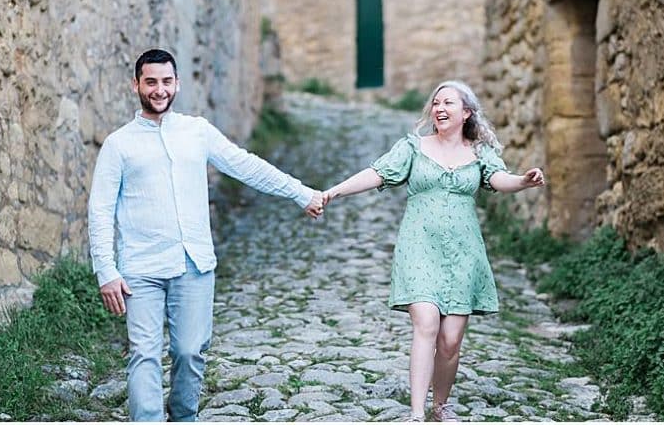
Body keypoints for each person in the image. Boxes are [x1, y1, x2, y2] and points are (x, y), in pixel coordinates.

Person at [88, 48, 324, 421]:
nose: (159, 89)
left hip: (193, 264)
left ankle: (184, 416)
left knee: (190, 351)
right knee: (144, 353)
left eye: (166, 82)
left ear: (177, 84)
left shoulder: (196, 131)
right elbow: (100, 210)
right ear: (136, 85)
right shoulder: (119, 144)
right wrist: (107, 270)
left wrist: (300, 193)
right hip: (140, 268)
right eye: (151, 82)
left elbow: (246, 165)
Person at [322, 80, 546, 422]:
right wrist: (334, 192)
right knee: (426, 323)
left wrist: (523, 181)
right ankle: (416, 413)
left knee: (451, 341)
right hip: (419, 247)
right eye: (436, 103)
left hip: (463, 252)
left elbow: (500, 180)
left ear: (466, 113)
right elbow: (376, 174)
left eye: (448, 104)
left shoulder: (479, 152)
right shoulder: (413, 147)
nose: (439, 109)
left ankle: (440, 407)